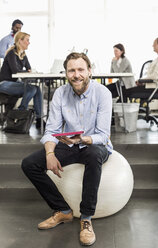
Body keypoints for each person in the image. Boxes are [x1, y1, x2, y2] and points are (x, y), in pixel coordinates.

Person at [21, 52, 113, 246]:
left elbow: (103, 135)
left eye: (81, 69)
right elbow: (51, 131)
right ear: (66, 73)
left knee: (94, 154)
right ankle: (62, 211)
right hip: (70, 144)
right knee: (29, 164)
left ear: (89, 71)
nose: (76, 74)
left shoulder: (102, 93)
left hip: (94, 143)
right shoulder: (60, 94)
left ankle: (86, 218)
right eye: (71, 70)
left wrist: (84, 139)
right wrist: (50, 153)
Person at [0, 31, 42, 128]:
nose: (29, 42)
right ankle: (21, 112)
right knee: (32, 89)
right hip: (4, 84)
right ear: (20, 41)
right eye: (27, 40)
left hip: (13, 83)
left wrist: (28, 71)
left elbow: (29, 68)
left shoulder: (23, 54)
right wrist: (27, 71)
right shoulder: (11, 53)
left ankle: (39, 119)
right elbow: (15, 71)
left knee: (37, 89)